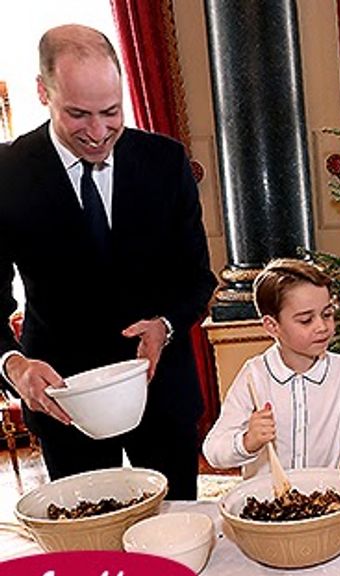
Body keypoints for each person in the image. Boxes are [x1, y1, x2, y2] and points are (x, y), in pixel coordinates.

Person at [0, 25, 216, 500]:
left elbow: (196, 278)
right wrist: (15, 366)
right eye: (78, 114)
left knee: (176, 543)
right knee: (90, 553)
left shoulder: (166, 162)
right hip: (63, 404)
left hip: (161, 396)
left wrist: (165, 324)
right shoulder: (6, 174)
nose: (98, 133)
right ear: (43, 92)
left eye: (111, 112)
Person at [203, 259, 340, 480]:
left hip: (326, 496)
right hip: (268, 503)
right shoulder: (254, 375)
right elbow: (213, 450)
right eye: (306, 320)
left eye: (327, 314)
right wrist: (247, 441)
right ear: (272, 326)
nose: (322, 327)